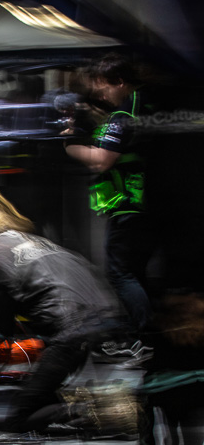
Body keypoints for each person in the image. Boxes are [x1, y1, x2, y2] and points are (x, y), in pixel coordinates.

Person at [0, 183, 127, 433]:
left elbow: (0, 334)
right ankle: (84, 409)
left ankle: (100, 411)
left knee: (19, 420)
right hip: (105, 320)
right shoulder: (37, 242)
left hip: (70, 333)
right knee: (38, 396)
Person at [63, 53, 159, 336]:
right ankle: (148, 331)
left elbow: (101, 160)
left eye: (102, 87)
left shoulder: (123, 115)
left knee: (120, 273)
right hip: (150, 202)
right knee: (136, 271)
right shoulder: (147, 105)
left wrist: (69, 144)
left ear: (118, 82)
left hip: (128, 203)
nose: (100, 94)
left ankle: (144, 334)